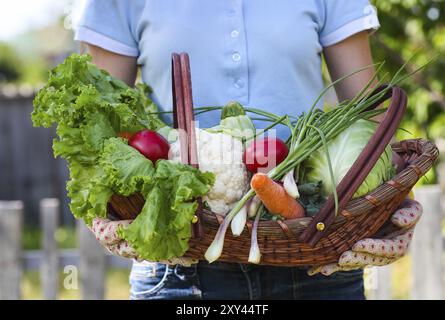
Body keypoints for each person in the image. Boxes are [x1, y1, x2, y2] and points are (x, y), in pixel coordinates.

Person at [75, 0, 422, 300]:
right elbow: (100, 126)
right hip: (177, 264)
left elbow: (367, 110)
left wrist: (385, 203)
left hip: (317, 250)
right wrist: (109, 212)